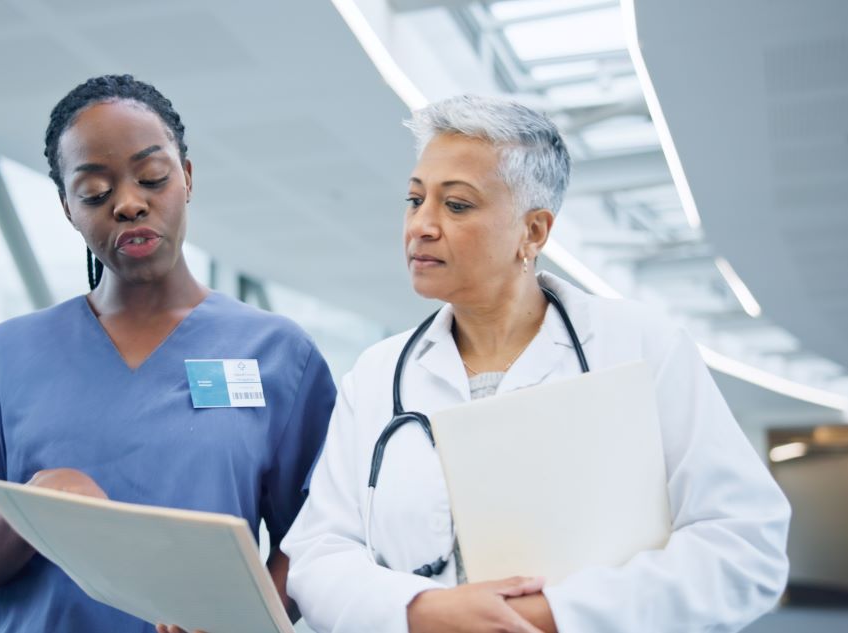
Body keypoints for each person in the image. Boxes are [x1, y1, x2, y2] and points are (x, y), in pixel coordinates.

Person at [281, 95, 791, 633]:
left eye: (456, 205)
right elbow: (319, 552)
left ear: (534, 231)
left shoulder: (642, 347)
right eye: (414, 200)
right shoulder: (378, 373)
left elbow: (743, 547)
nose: (421, 226)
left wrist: (547, 616)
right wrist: (423, 611)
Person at [0, 74, 336, 633]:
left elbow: (311, 540)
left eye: (152, 177)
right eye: (95, 191)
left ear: (185, 178)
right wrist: (38, 507)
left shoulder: (279, 355)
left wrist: (241, 619)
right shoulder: (10, 354)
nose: (129, 203)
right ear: (68, 207)